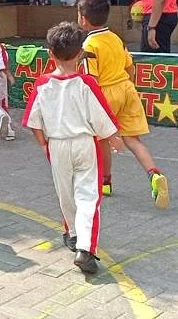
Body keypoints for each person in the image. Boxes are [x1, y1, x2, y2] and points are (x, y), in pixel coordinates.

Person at [22, 22, 122, 274]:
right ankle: (86, 249)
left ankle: (74, 234)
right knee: (89, 195)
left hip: (57, 145)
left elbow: (33, 121)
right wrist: (113, 137)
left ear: (49, 54)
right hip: (84, 145)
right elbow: (102, 116)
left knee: (65, 193)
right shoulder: (86, 83)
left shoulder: (42, 84)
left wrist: (44, 143)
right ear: (80, 54)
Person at [79, 0, 170, 207]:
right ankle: (154, 174)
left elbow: (91, 80)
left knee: (102, 140)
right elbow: (130, 66)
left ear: (83, 18)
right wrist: (128, 87)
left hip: (105, 93)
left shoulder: (89, 46)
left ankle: (105, 182)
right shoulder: (115, 38)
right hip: (127, 89)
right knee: (133, 141)